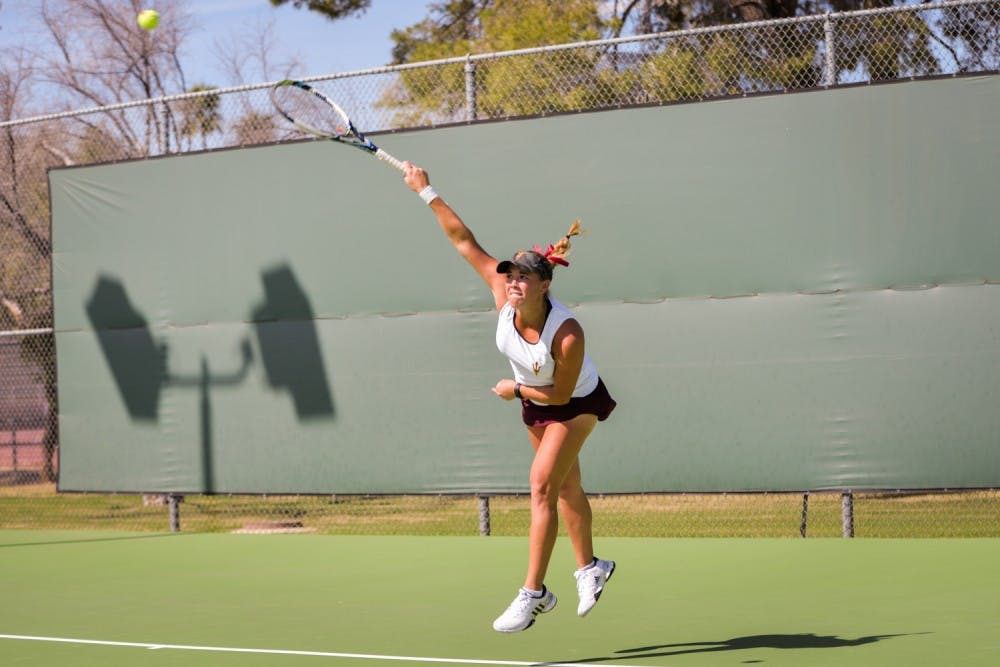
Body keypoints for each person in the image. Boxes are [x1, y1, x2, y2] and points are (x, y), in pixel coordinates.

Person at [402, 162, 618, 633]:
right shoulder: (504, 298)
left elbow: (560, 392)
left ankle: (534, 594)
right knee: (566, 487)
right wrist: (425, 190)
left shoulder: (567, 335)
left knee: (541, 486)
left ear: (545, 284)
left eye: (524, 277)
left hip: (574, 404)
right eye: (510, 275)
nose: (513, 281)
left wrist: (514, 388)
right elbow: (462, 239)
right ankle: (591, 568)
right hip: (534, 407)